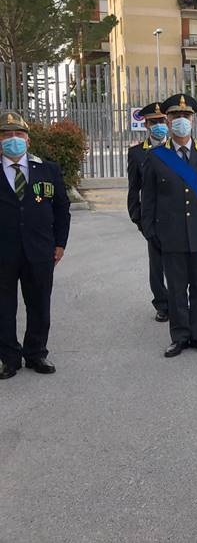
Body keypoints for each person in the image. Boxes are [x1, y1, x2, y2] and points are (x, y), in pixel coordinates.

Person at [140, 94, 197, 358]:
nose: (181, 121)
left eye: (186, 116)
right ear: (167, 121)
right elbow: (149, 202)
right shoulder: (156, 157)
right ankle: (179, 336)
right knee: (177, 290)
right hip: (172, 235)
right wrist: (153, 234)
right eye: (175, 116)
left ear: (193, 119)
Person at [0, 111, 70, 380]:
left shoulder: (47, 169)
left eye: (19, 134)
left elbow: (62, 209)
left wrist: (60, 243)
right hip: (3, 252)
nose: (13, 139)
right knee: (4, 306)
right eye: (7, 135)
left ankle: (36, 353)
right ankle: (8, 357)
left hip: (40, 250)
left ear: (28, 140)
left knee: (39, 303)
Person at [127, 102, 170, 322]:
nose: (159, 125)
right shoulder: (137, 153)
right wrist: (139, 220)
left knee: (179, 264)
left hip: (177, 217)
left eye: (162, 120)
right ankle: (162, 304)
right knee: (157, 265)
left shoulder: (176, 149)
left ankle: (179, 300)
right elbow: (134, 190)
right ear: (146, 124)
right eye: (154, 122)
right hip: (152, 219)